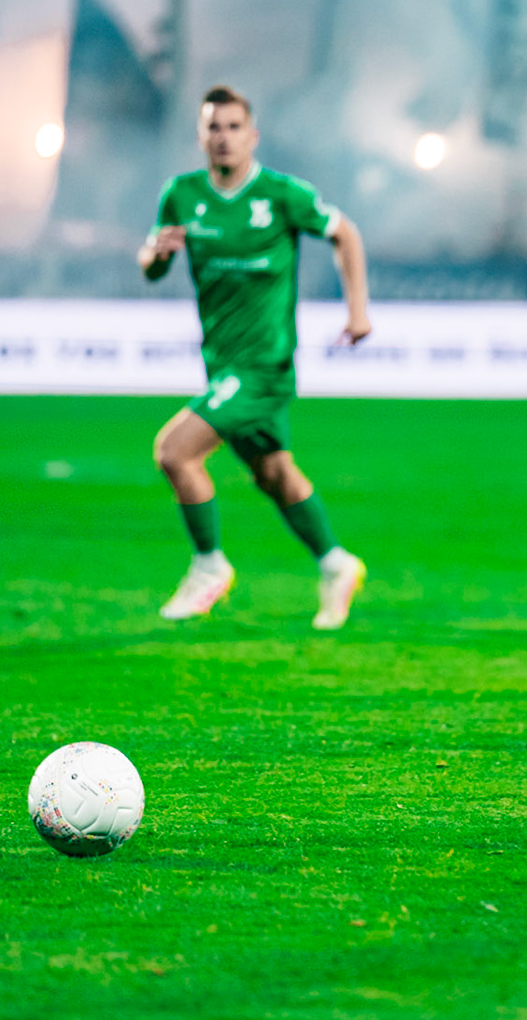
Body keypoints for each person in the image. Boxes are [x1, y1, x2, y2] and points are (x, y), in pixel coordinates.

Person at [137, 85, 371, 627]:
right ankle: (336, 563)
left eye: (233, 127)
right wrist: (153, 253)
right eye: (213, 127)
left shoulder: (282, 194)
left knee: (175, 452)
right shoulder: (181, 194)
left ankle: (208, 566)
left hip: (264, 368)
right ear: (200, 137)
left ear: (253, 135)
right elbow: (153, 266)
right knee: (274, 475)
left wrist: (356, 311)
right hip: (221, 362)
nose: (223, 138)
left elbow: (346, 234)